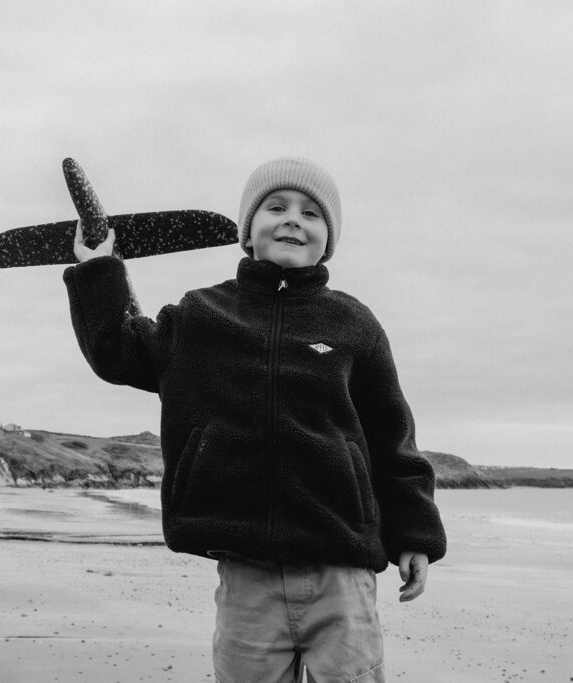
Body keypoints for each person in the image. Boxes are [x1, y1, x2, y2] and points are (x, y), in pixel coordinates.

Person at [64, 157, 446, 682]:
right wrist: (98, 272)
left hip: (341, 566)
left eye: (312, 213)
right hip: (245, 569)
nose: (293, 219)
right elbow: (119, 351)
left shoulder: (354, 323)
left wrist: (415, 534)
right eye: (276, 207)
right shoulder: (201, 315)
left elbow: (392, 437)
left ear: (328, 238)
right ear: (248, 230)